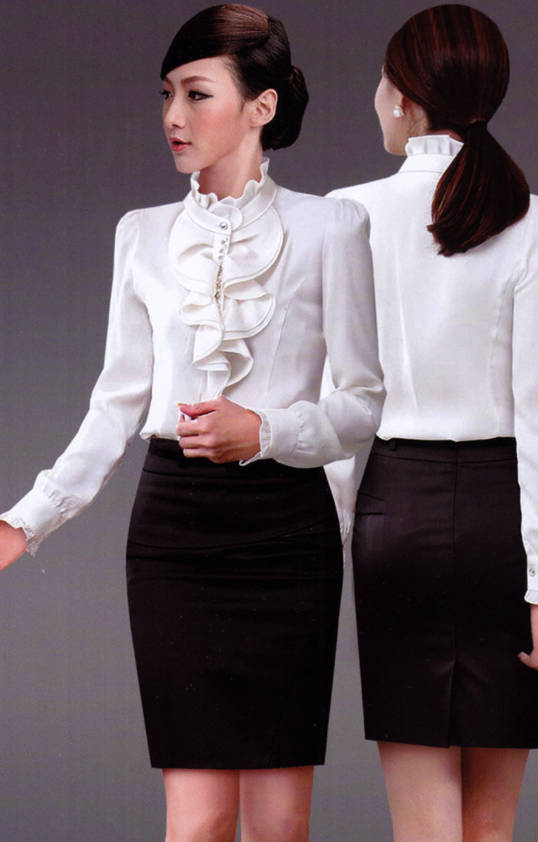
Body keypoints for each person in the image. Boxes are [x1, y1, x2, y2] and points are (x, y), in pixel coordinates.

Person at [0, 5, 384, 841]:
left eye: (197, 93)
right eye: (166, 94)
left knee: (279, 823)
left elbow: (361, 405)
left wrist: (266, 432)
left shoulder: (333, 226)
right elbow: (116, 404)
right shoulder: (140, 234)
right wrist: (23, 521)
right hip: (175, 532)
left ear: (261, 107)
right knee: (199, 820)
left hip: (287, 532)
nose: (173, 115)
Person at [327, 5, 538, 841]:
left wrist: (330, 537)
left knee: (423, 826)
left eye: (380, 81)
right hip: (501, 521)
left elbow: (338, 406)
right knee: (490, 828)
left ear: (403, 96)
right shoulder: (534, 216)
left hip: (391, 514)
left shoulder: (345, 212)